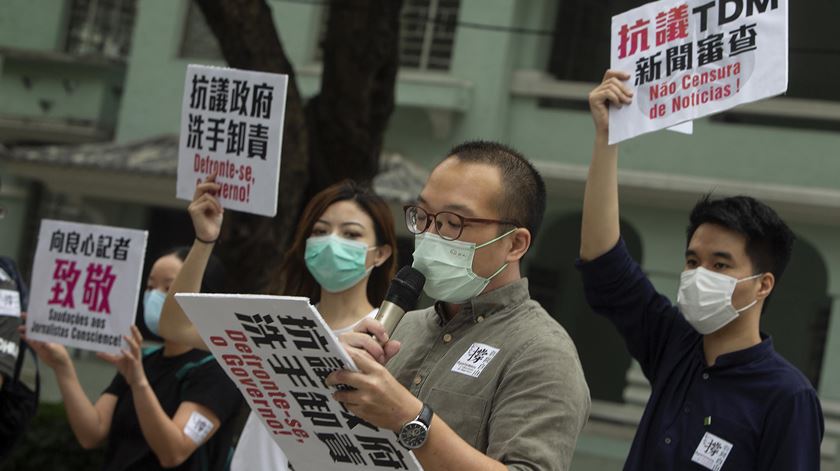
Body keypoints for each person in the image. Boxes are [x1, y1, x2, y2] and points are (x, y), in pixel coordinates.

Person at [577, 70, 824, 470]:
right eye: (692, 261)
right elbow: (604, 261)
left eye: (720, 264)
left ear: (763, 284)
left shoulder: (788, 396)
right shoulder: (674, 345)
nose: (699, 274)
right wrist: (607, 137)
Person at [328, 141, 591, 470]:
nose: (430, 235)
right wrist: (333, 377)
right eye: (422, 216)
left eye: (453, 223)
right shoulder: (402, 327)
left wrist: (410, 419)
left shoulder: (542, 352)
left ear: (514, 243)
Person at [158, 177, 397, 470]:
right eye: (320, 231)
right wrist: (204, 240)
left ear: (381, 254)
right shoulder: (276, 323)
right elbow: (175, 327)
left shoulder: (386, 335)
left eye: (351, 234)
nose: (331, 242)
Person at [24, 248, 243, 470]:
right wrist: (62, 367)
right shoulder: (143, 359)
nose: (154, 296)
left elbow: (174, 452)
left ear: (201, 296)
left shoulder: (218, 370)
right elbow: (92, 433)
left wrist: (139, 383)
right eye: (150, 287)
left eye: (168, 288)